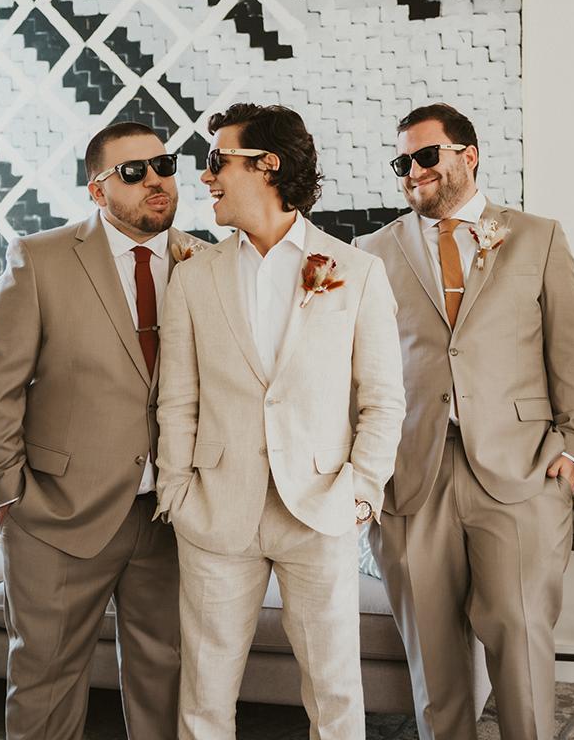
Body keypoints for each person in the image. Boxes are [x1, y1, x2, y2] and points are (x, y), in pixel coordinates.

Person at [154, 103, 405, 739]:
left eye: (216, 161)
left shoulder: (356, 270)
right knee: (204, 694)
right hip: (215, 512)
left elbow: (383, 398)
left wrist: (361, 490)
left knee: (335, 690)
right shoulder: (193, 276)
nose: (204, 178)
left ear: (268, 165)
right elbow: (177, 398)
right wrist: (177, 491)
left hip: (319, 508)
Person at [356, 103, 574, 739]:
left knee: (519, 644)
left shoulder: (538, 236)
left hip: (522, 471)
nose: (413, 171)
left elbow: (568, 354)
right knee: (435, 666)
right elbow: (362, 372)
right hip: (413, 477)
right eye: (402, 161)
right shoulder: (372, 253)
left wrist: (573, 450)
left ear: (469, 155)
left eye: (426, 155)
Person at [0, 122, 202, 739]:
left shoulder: (203, 260)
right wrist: (8, 495)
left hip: (172, 518)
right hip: (57, 514)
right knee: (46, 681)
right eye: (134, 171)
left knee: (169, 678)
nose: (156, 180)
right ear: (97, 191)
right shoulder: (40, 259)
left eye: (164, 165)